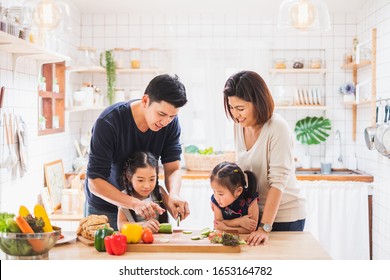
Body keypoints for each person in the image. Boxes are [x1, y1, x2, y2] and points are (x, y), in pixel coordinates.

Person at [86, 74, 190, 230]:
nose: (166, 122)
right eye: (161, 114)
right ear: (145, 101)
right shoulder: (109, 122)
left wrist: (174, 194)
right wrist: (134, 203)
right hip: (106, 208)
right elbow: (94, 181)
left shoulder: (170, 123)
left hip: (146, 207)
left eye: (172, 116)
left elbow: (173, 168)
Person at [223, 70, 306, 246]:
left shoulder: (277, 127)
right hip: (255, 215)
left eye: (240, 108)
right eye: (231, 107)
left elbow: (278, 183)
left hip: (284, 217)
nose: (235, 114)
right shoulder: (239, 126)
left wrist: (265, 227)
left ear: (258, 103)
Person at [117, 151, 169, 232]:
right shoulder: (125, 197)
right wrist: (142, 225)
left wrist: (177, 209)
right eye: (140, 180)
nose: (147, 186)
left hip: (160, 240)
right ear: (129, 177)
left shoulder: (159, 192)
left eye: (152, 179)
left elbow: (174, 210)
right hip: (136, 241)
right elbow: (120, 225)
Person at [210, 161, 259, 234]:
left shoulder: (250, 199)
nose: (216, 197)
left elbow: (251, 229)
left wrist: (225, 228)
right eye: (214, 191)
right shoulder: (216, 201)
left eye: (220, 194)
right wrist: (239, 222)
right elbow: (218, 225)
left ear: (238, 191)